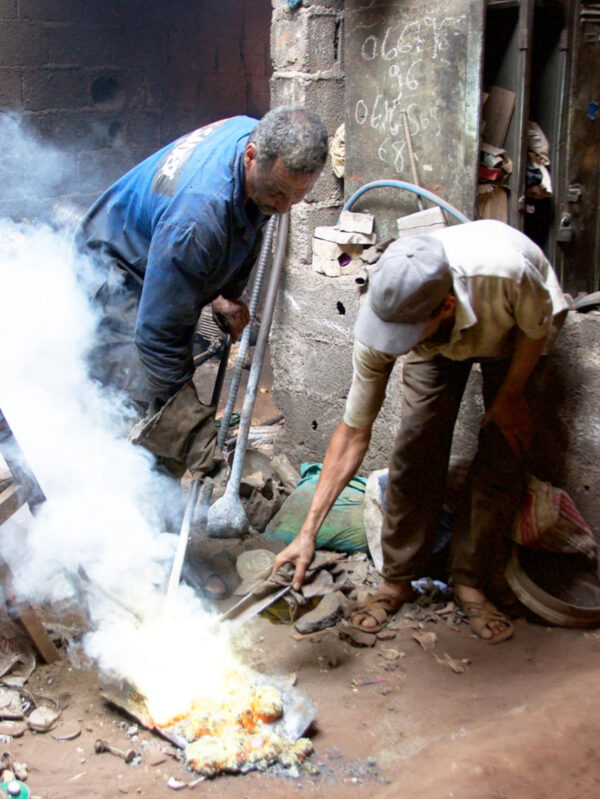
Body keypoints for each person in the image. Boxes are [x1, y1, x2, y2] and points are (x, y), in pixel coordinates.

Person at [273, 220, 569, 644]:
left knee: (506, 447)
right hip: (441, 339)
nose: (394, 346)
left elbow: (536, 329)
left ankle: (471, 580)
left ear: (445, 306)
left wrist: (509, 399)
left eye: (404, 337)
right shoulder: (389, 311)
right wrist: (308, 533)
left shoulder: (506, 273)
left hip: (515, 330)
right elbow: (353, 433)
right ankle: (398, 579)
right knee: (416, 445)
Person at [75, 106, 327, 479]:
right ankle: (131, 508)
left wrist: (224, 292)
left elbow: (243, 223)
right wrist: (199, 442)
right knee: (145, 403)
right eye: (277, 192)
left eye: (297, 196)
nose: (284, 207)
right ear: (251, 156)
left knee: (169, 392)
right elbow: (157, 338)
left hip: (162, 254)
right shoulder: (197, 217)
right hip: (114, 269)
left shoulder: (257, 141)